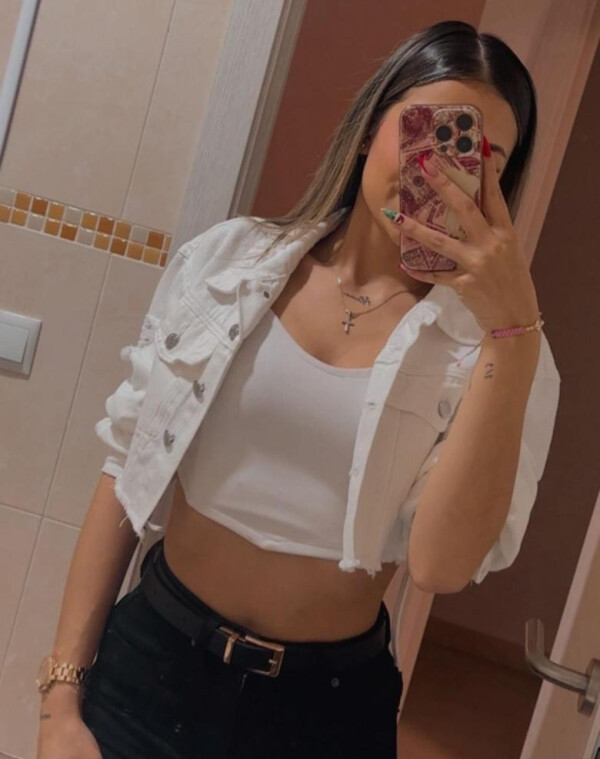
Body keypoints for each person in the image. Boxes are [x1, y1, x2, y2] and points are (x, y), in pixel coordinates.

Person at [36, 19, 560, 759]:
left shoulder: (498, 351)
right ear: (372, 127)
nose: (440, 172)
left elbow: (440, 565)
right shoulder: (228, 264)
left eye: (476, 156)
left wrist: (512, 332)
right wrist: (59, 701)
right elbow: (125, 466)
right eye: (426, 132)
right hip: (151, 671)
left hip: (326, 714)